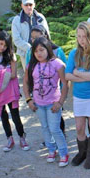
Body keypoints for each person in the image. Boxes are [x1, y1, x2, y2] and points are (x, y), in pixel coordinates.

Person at [23, 37, 69, 167]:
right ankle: (51, 149)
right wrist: (28, 99)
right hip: (38, 103)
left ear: (48, 49)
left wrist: (60, 102)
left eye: (42, 50)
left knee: (55, 128)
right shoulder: (31, 65)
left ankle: (63, 153)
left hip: (53, 103)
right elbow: (25, 83)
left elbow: (65, 84)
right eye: (36, 51)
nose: (39, 53)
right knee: (44, 127)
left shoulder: (58, 64)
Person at [65, 21, 90, 169]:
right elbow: (68, 75)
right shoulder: (74, 53)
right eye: (79, 36)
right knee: (80, 127)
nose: (81, 40)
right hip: (79, 96)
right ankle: (82, 152)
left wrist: (77, 72)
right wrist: (85, 73)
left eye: (84, 36)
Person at [0, 30, 30, 152]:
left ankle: (22, 137)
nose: (3, 47)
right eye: (1, 44)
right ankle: (9, 138)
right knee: (3, 115)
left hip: (10, 91)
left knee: (15, 115)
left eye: (5, 45)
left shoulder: (11, 56)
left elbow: (13, 75)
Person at [25, 25, 68, 141]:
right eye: (32, 38)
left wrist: (62, 97)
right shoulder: (31, 52)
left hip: (55, 91)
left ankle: (60, 136)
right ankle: (50, 142)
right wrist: (29, 97)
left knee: (56, 115)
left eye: (37, 37)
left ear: (44, 36)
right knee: (45, 123)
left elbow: (65, 71)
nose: (34, 40)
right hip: (39, 91)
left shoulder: (57, 50)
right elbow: (28, 73)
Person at [11, 0, 50, 71]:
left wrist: (45, 48)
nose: (28, 7)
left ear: (34, 5)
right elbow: (16, 39)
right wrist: (30, 48)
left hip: (42, 51)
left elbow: (47, 35)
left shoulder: (40, 18)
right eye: (26, 5)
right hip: (25, 53)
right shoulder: (16, 20)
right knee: (29, 77)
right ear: (22, 5)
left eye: (30, 5)